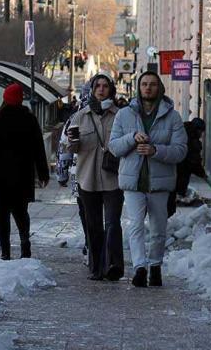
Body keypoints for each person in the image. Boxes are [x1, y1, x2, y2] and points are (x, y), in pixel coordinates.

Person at [109, 71, 187, 287]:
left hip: (160, 183)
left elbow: (180, 151)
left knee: (158, 228)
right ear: (138, 87)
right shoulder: (124, 115)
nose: (148, 88)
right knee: (135, 225)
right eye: (144, 84)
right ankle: (139, 268)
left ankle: (155, 266)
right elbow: (114, 147)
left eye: (152, 84)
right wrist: (131, 138)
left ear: (159, 88)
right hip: (133, 182)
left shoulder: (173, 117)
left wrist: (156, 150)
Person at [0, 84, 50, 260]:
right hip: (23, 176)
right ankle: (25, 244)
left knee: (2, 214)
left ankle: (5, 251)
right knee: (21, 212)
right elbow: (38, 148)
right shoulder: (29, 118)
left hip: (0, 176)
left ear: (5, 98)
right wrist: (43, 173)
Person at [68, 74, 124, 281]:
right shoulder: (81, 116)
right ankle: (96, 267)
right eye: (97, 86)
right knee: (93, 226)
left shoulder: (120, 115)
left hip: (113, 178)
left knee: (112, 223)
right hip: (87, 178)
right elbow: (72, 147)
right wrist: (72, 143)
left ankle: (114, 265)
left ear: (111, 89)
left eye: (105, 86)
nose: (101, 89)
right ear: (92, 90)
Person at [168, 118, 208, 218]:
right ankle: (167, 223)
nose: (201, 134)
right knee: (170, 202)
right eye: (201, 131)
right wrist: (202, 173)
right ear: (197, 129)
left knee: (168, 197)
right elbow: (194, 160)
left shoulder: (180, 133)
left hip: (171, 171)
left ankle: (167, 222)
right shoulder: (192, 141)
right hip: (180, 173)